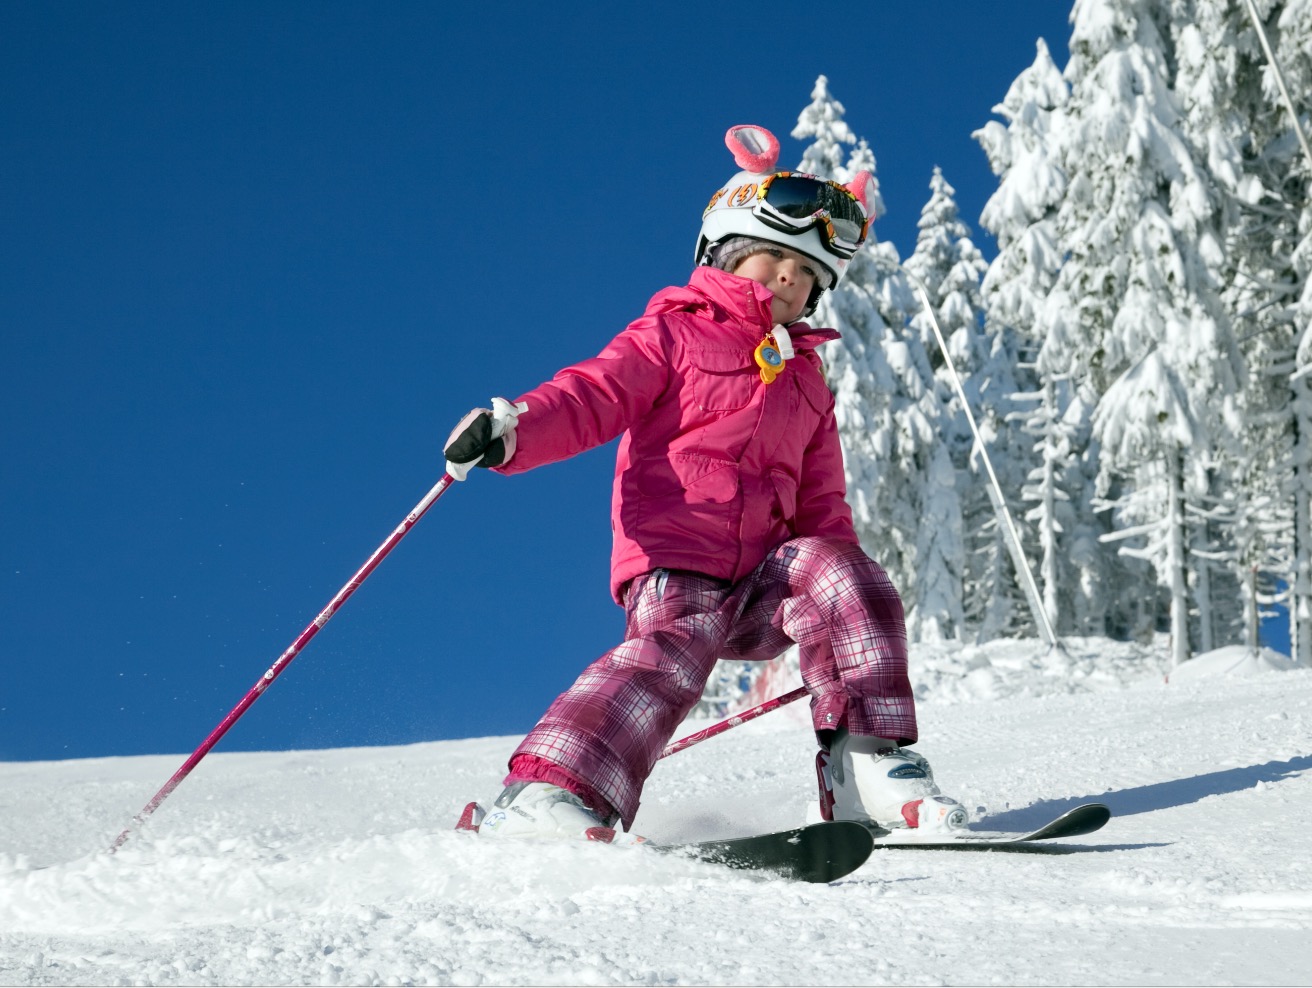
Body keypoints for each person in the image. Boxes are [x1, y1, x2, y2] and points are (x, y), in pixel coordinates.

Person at [445, 124, 966, 841]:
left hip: (760, 580)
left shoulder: (809, 382)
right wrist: (515, 429)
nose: (792, 278)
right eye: (777, 258)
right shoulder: (672, 335)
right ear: (726, 252)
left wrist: (839, 584)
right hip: (676, 556)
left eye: (809, 273)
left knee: (846, 575)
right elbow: (591, 395)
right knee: (671, 655)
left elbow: (822, 504)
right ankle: (546, 798)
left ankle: (865, 772)